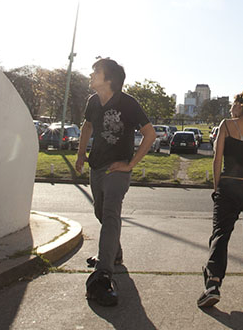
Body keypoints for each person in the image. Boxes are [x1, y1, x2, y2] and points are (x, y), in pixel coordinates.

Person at [75, 57, 157, 307]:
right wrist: (80, 154)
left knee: (110, 213)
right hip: (97, 166)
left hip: (117, 169)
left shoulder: (129, 103)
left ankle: (103, 275)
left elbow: (150, 134)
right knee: (100, 212)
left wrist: (130, 164)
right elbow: (87, 126)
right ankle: (114, 254)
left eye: (95, 72)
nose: (91, 75)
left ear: (108, 79)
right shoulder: (92, 102)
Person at [197, 90, 243, 308]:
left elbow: (217, 158)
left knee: (221, 232)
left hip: (229, 185)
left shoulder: (227, 126)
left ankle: (213, 282)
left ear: (242, 105)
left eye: (234, 104)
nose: (231, 108)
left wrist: (216, 187)